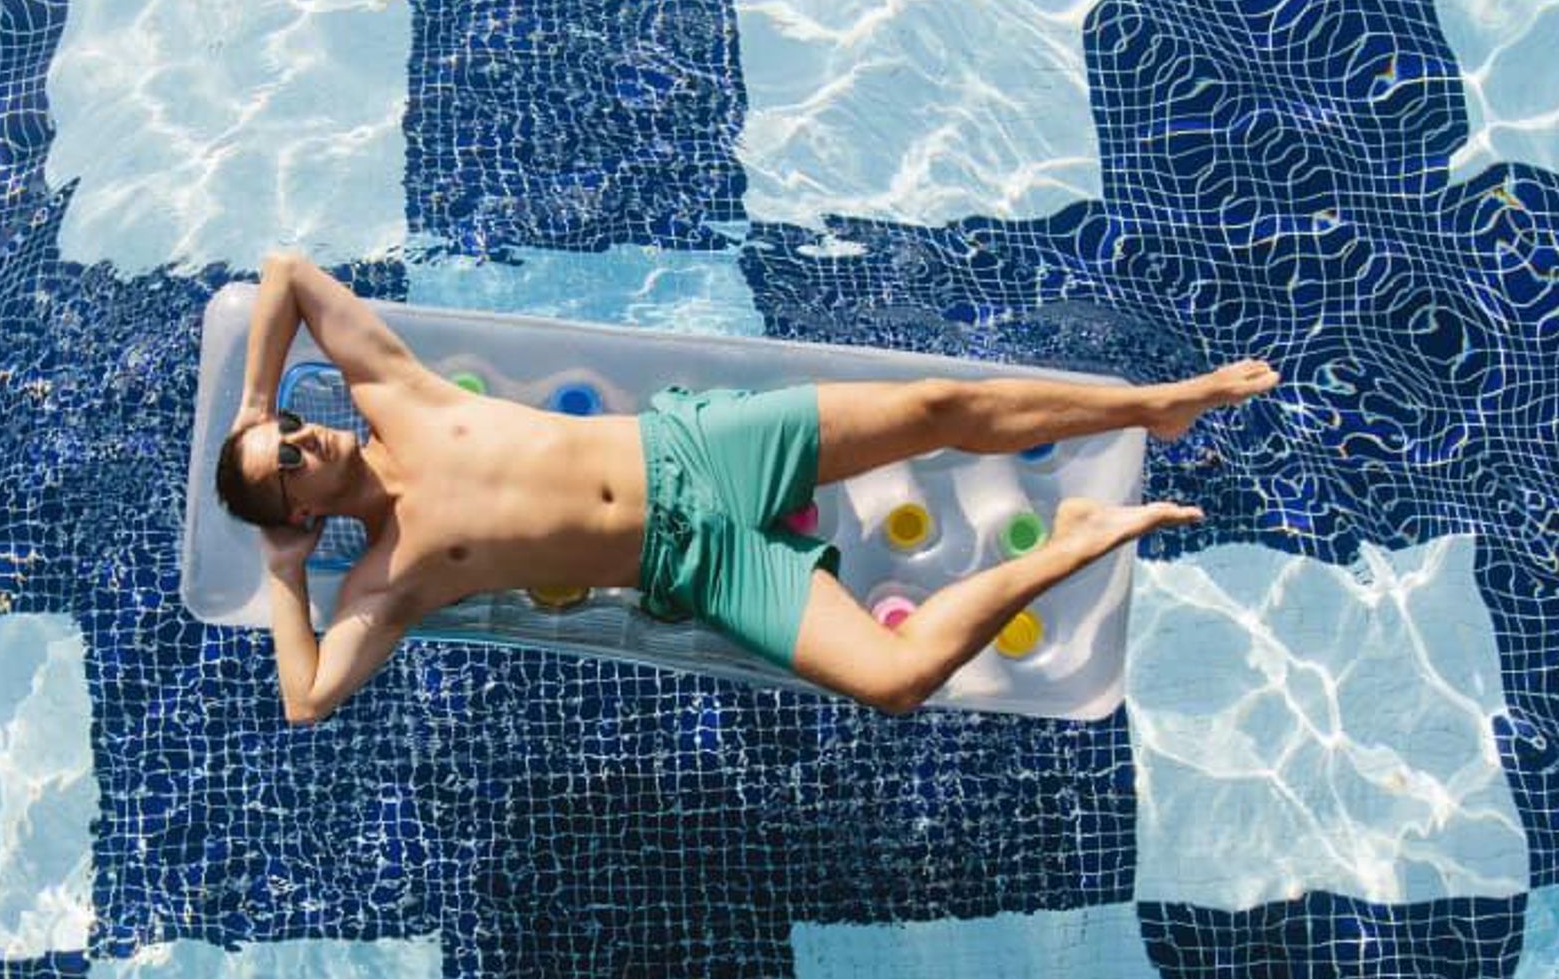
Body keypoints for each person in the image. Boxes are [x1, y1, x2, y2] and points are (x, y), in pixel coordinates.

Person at [216, 251, 1278, 725]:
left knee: (933, 404)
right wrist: (280, 572)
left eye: (292, 431)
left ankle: (1154, 402)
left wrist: (250, 408)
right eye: (289, 462)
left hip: (702, 450)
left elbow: (287, 274)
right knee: (893, 679)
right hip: (699, 563)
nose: (305, 437)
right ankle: (1076, 533)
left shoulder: (397, 394)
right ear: (304, 514)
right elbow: (306, 698)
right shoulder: (388, 579)